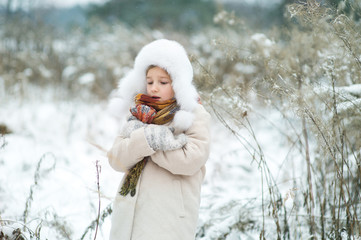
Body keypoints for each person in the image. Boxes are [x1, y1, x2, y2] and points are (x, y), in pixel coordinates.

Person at [107, 39, 211, 240]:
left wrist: (153, 143)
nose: (154, 88)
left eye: (163, 82)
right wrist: (146, 138)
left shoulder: (193, 115)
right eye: (149, 81)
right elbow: (115, 159)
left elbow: (191, 161)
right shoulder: (139, 115)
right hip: (130, 213)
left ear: (178, 83)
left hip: (169, 217)